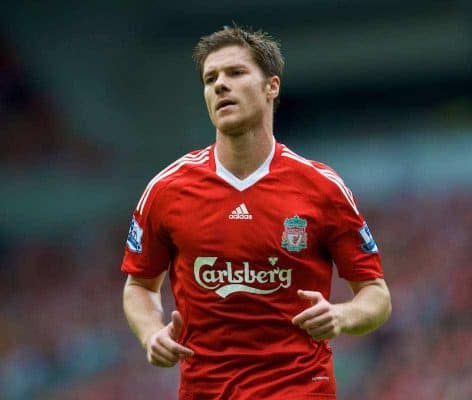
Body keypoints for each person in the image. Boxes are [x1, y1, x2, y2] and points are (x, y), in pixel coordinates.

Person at [121, 24, 391, 400]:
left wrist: (341, 316)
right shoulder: (167, 189)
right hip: (205, 391)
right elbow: (139, 284)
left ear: (271, 86)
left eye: (235, 73)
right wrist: (151, 333)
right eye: (210, 78)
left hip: (300, 390)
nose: (219, 85)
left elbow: (376, 295)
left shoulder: (321, 187)